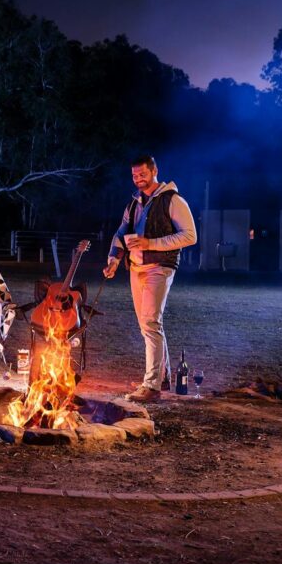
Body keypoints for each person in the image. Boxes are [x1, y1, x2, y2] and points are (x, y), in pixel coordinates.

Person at [103, 154, 197, 403]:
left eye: (142, 174)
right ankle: (161, 378)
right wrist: (114, 260)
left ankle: (152, 386)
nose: (138, 179)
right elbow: (121, 233)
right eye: (134, 175)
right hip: (136, 268)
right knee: (148, 325)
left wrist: (150, 243)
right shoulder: (134, 203)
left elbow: (190, 236)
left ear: (154, 171)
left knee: (150, 323)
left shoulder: (172, 200)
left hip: (159, 267)